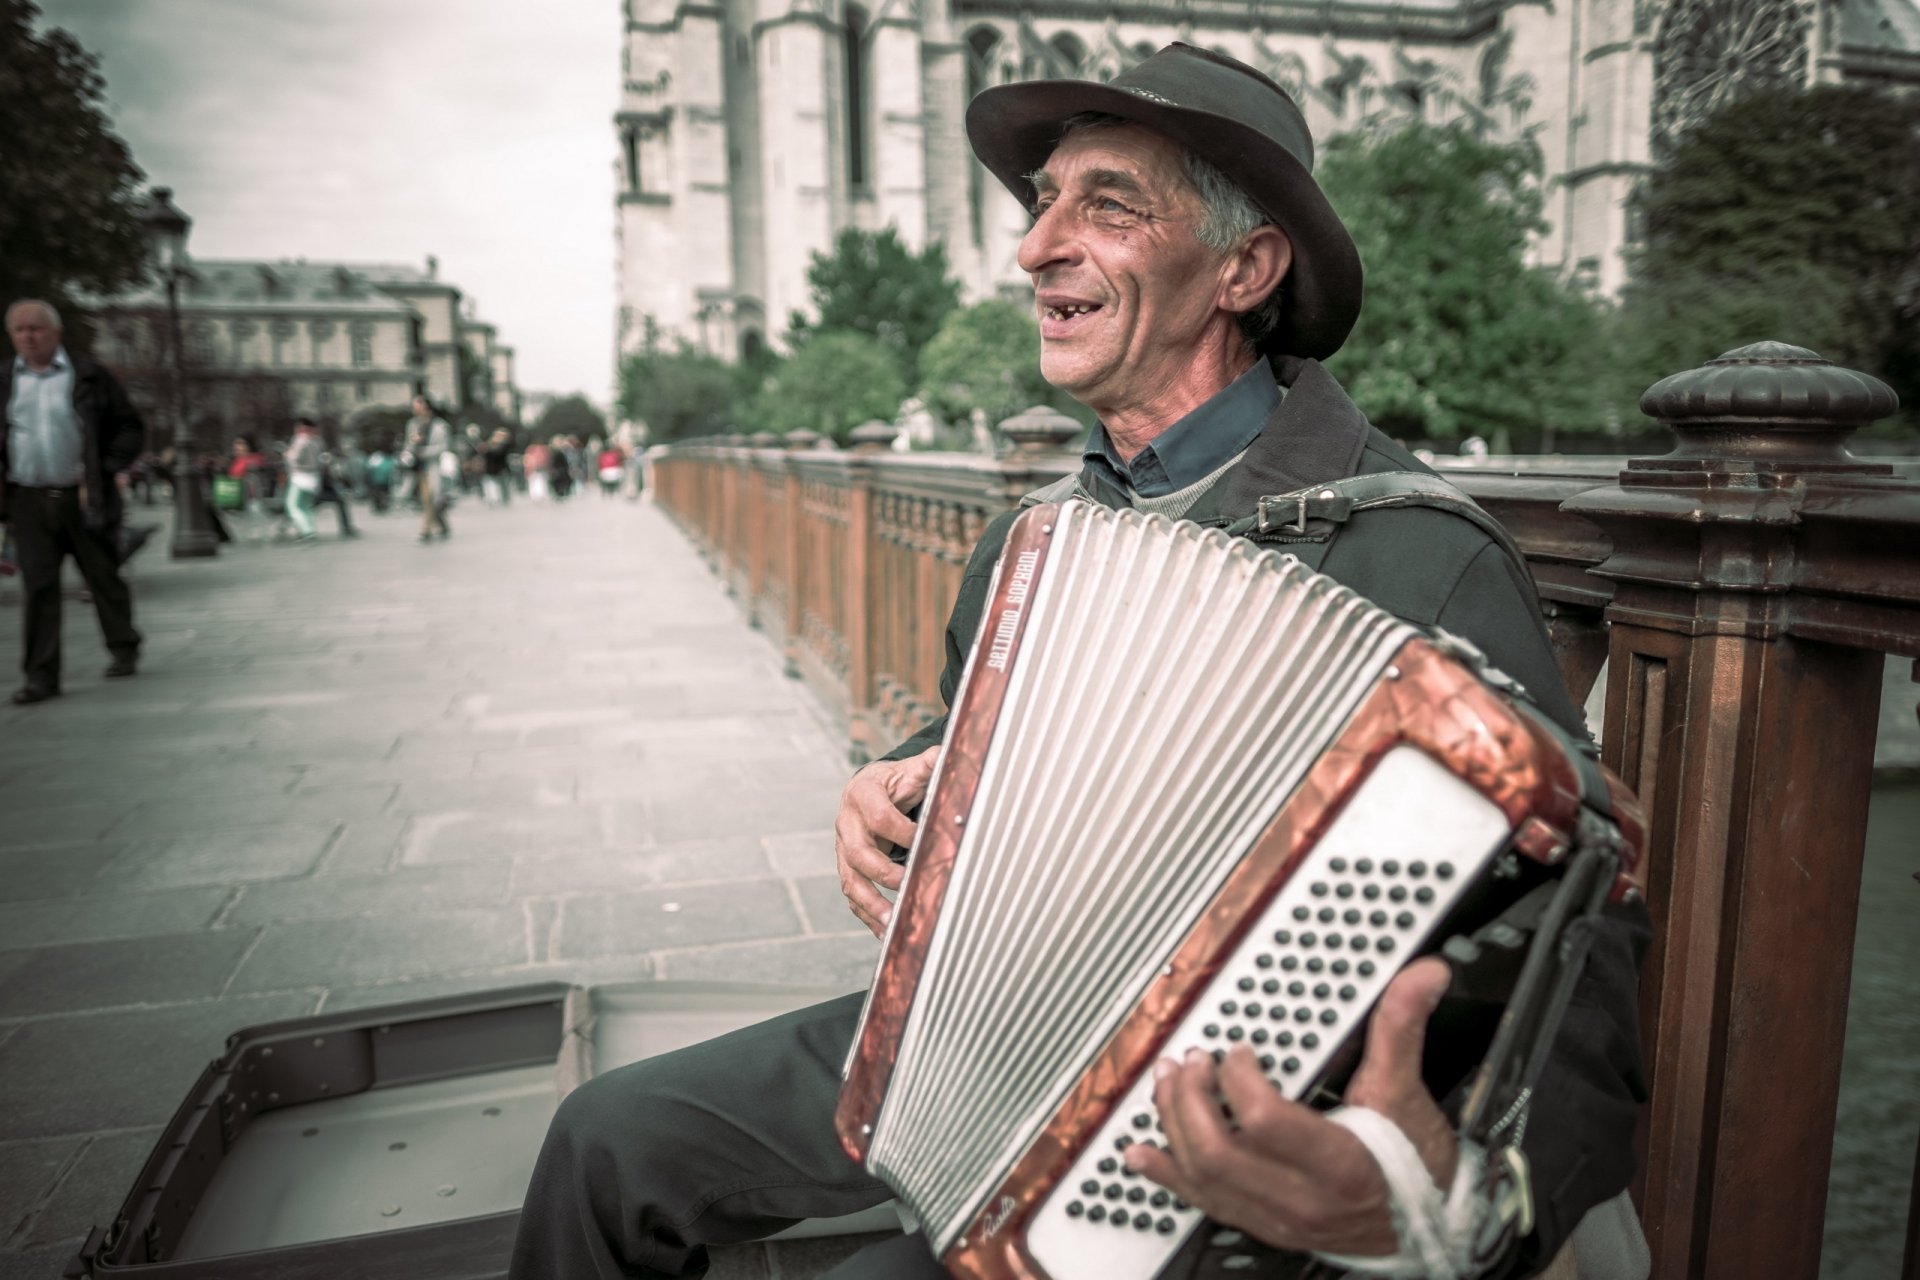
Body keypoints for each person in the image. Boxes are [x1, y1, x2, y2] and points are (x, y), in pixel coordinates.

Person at [517, 45, 1653, 1280]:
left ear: (1244, 267)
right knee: (604, 1139)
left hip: (1225, 1120)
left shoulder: (1412, 548)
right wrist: (895, 784)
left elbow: (1589, 943)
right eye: (1042, 202)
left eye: (1106, 205)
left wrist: (1423, 1195)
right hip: (986, 1030)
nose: (1036, 248)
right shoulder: (1034, 535)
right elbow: (983, 747)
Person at [0, 299, 145, 705]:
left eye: (36, 328)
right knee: (39, 586)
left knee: (102, 575)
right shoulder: (5, 380)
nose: (28, 336)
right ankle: (41, 675)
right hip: (27, 498)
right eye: (19, 330)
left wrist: (106, 467)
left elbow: (130, 426)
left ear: (56, 333)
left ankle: (123, 646)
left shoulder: (89, 376)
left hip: (83, 496)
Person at [404, 395, 452, 541]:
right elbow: (408, 443)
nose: (414, 408)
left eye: (416, 405)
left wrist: (424, 451)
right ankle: (442, 525)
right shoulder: (412, 424)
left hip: (433, 465)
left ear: (425, 406)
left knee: (431, 497)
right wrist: (408, 452)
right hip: (417, 467)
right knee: (427, 499)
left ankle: (425, 531)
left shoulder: (439, 426)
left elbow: (444, 446)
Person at [283, 417, 323, 541]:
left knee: (292, 506)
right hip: (313, 478)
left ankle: (306, 531)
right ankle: (311, 530)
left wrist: (287, 454)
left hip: (299, 477)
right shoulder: (317, 441)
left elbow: (295, 458)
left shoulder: (301, 440)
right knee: (306, 506)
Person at [482, 429, 513, 506]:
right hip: (491, 468)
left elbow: (499, 454)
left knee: (503, 484)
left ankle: (504, 499)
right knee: (491, 484)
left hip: (501, 468)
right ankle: (491, 499)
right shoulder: (489, 444)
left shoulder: (505, 445)